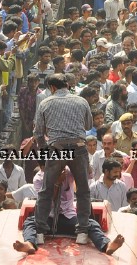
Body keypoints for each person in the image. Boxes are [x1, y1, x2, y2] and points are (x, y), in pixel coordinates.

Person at [32, 74, 93, 244]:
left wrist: (45, 151)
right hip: (78, 148)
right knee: (82, 190)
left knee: (46, 189)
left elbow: (38, 133)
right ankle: (82, 231)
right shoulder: (81, 101)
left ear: (52, 87)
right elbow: (88, 126)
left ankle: (40, 232)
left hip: (56, 149)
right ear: (66, 85)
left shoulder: (45, 103)